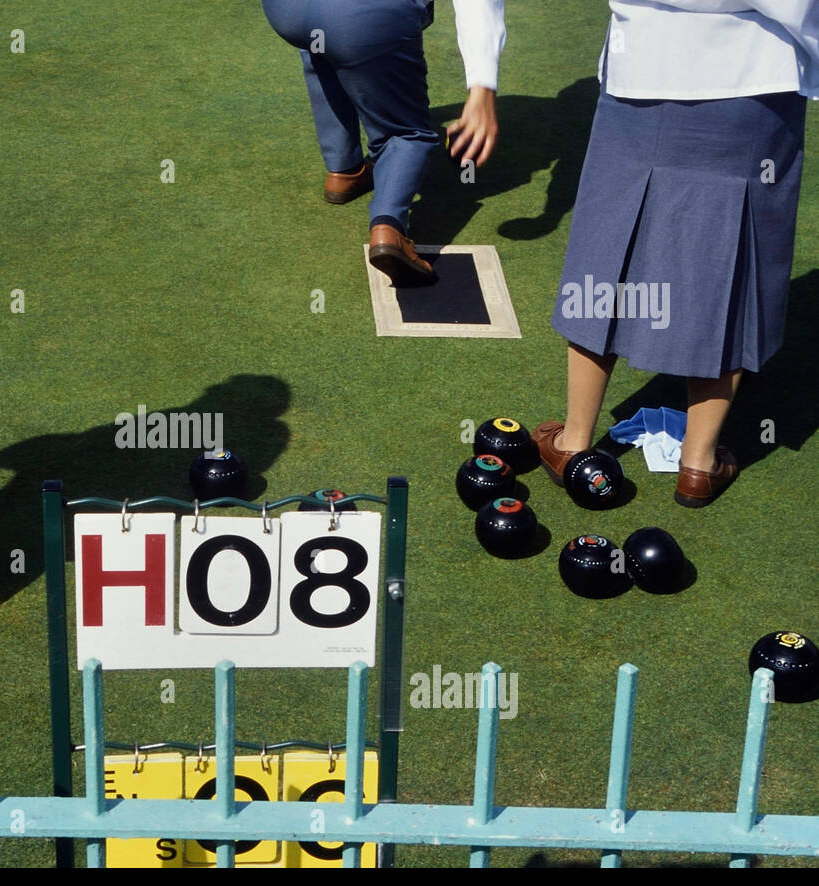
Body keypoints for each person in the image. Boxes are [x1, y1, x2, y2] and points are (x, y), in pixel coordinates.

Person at [534, 0, 818, 507]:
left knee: (605, 244)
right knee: (731, 254)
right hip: (753, 73)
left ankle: (575, 440)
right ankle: (698, 463)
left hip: (639, 62)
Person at [262, 0, 506, 285]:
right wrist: (483, 88)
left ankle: (345, 170)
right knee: (405, 133)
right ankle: (389, 227)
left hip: (286, 10)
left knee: (321, 44)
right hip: (362, 17)